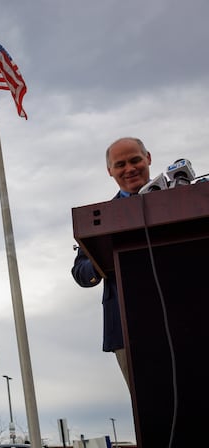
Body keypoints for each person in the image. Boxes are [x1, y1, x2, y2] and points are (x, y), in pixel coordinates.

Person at [71, 137, 152, 390]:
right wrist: (101, 258)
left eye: (135, 160)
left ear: (148, 158)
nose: (129, 169)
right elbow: (81, 273)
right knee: (148, 409)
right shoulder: (101, 219)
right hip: (126, 330)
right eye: (120, 164)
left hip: (187, 318)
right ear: (110, 171)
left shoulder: (180, 198)